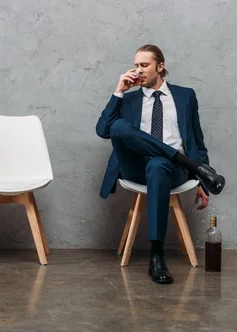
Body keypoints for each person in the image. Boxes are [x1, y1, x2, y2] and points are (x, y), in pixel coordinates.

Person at [96, 44, 225, 284]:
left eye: (144, 65)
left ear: (160, 67)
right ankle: (185, 162)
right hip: (135, 167)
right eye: (135, 65)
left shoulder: (185, 96)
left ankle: (157, 256)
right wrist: (119, 90)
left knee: (157, 164)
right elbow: (102, 130)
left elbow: (197, 140)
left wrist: (201, 183)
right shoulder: (128, 99)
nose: (138, 70)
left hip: (169, 170)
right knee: (117, 126)